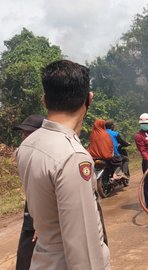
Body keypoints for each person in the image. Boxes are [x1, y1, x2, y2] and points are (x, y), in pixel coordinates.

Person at [15, 60, 110, 269]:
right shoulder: (73, 156)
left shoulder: (28, 145)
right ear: (89, 99)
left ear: (44, 100)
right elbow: (83, 247)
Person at [13, 114, 44, 270]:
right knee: (25, 254)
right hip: (31, 206)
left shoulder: (46, 157)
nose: (25, 137)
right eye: (23, 134)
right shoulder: (23, 153)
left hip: (42, 209)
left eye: (29, 133)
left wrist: (40, 220)